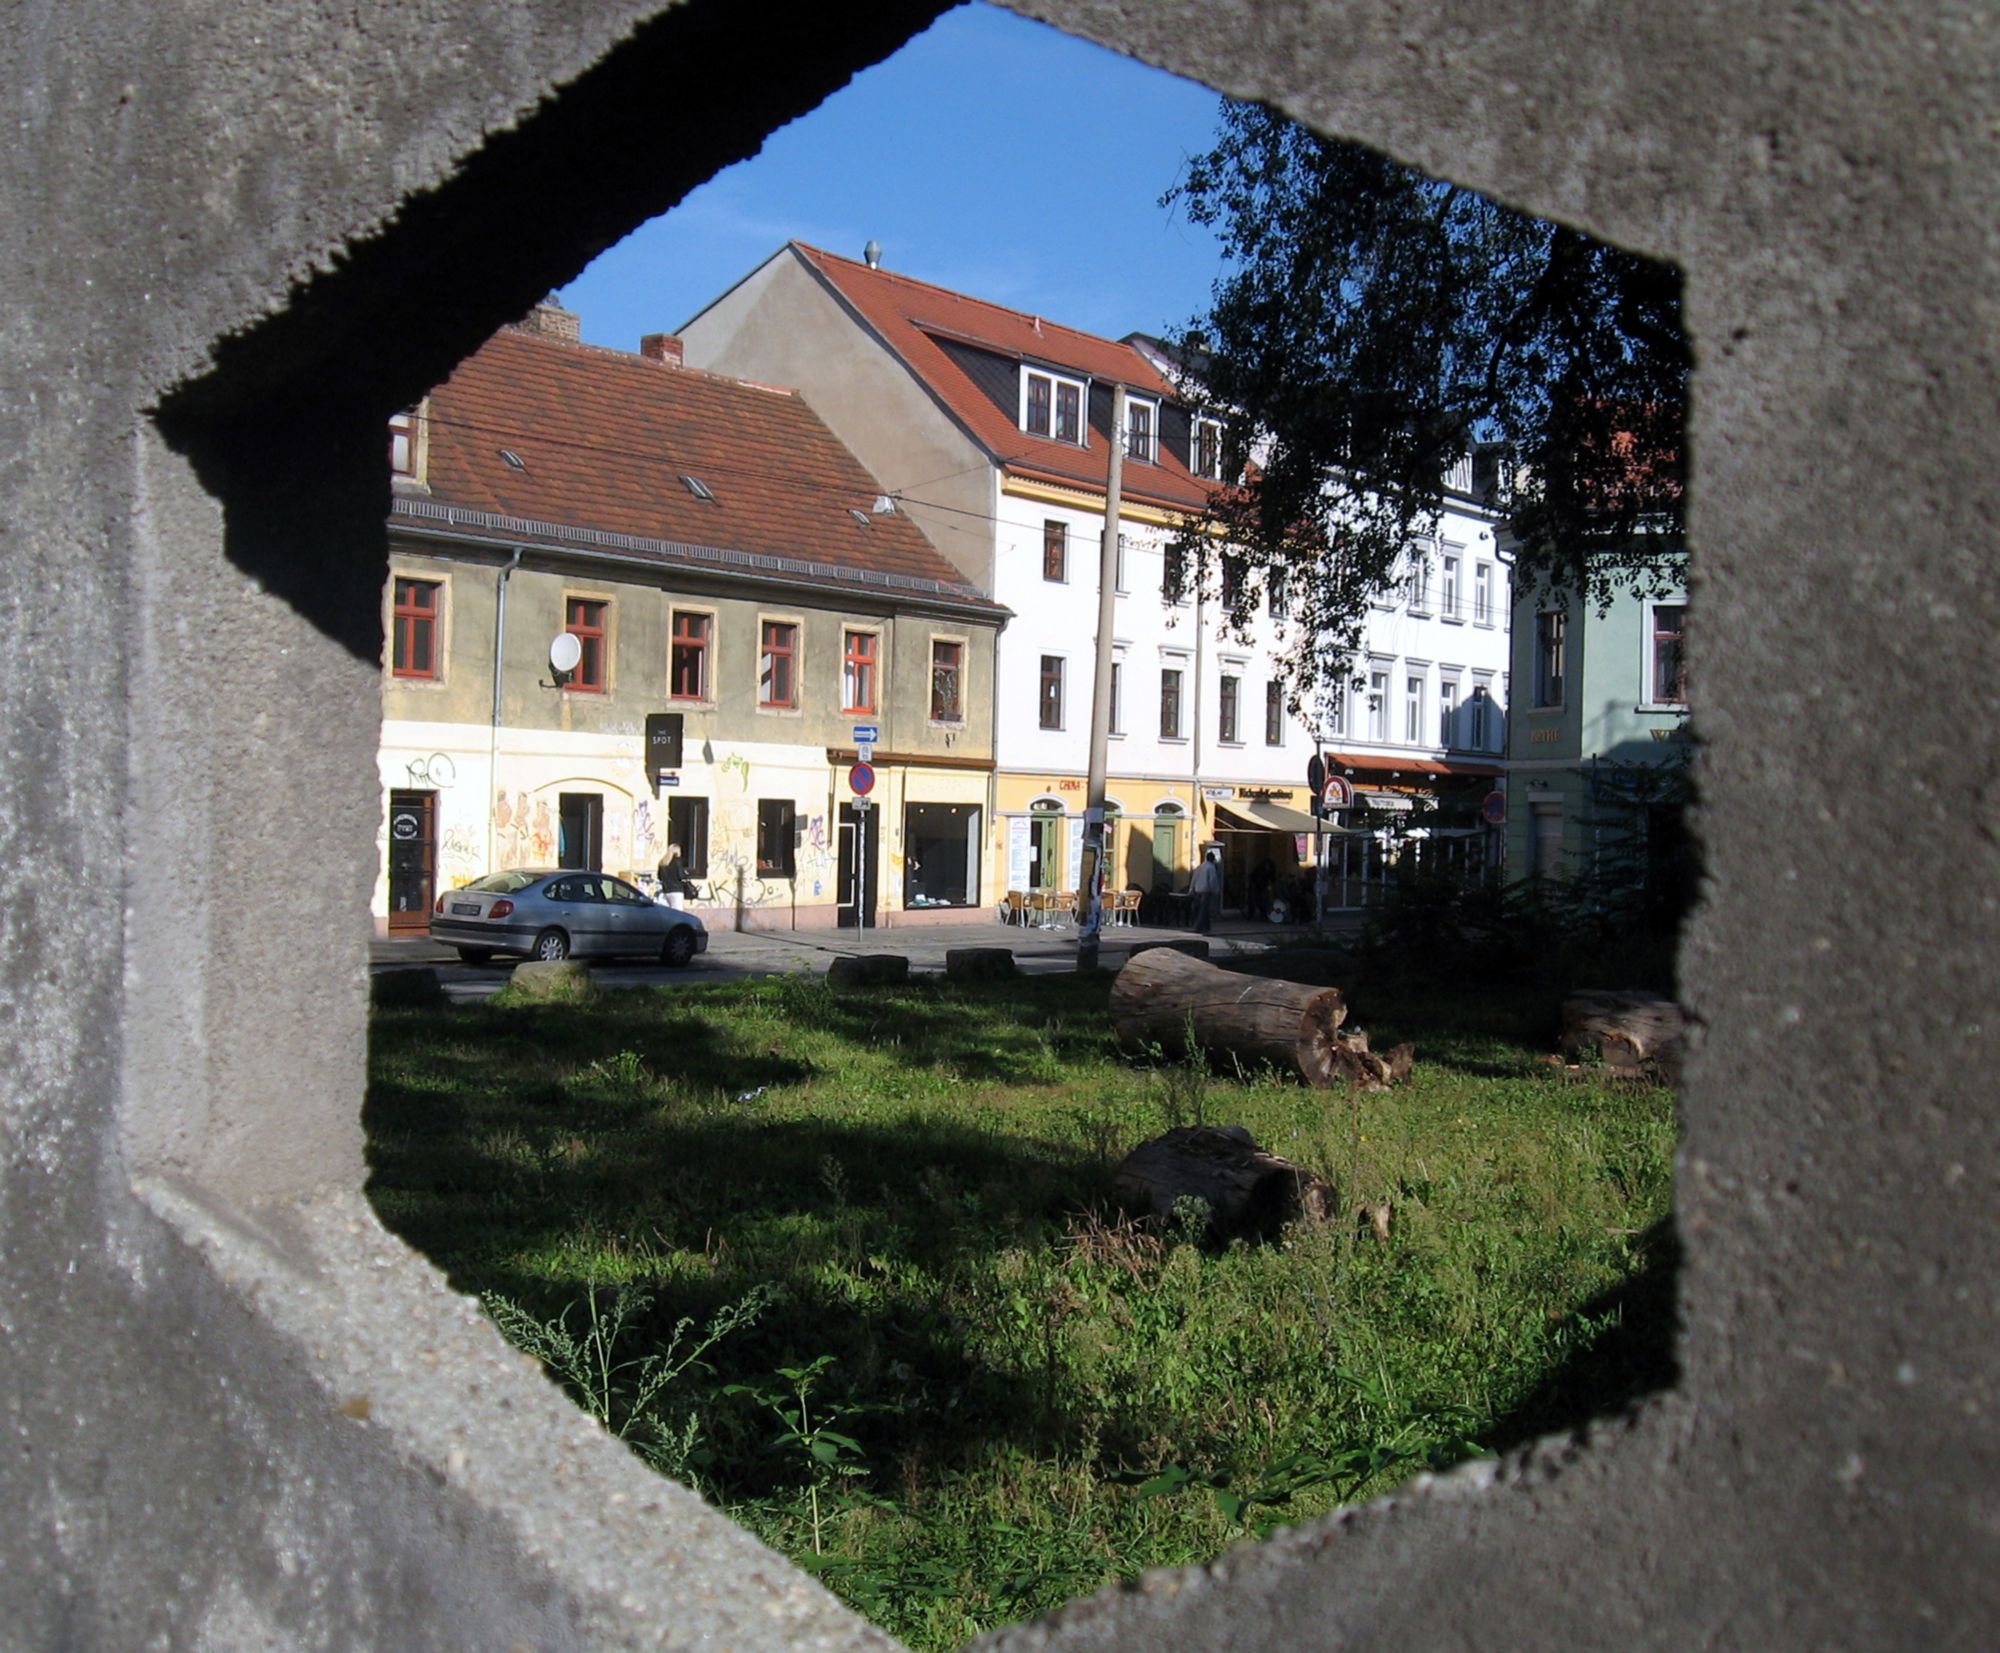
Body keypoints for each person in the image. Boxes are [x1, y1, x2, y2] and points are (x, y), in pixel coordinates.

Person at [1190, 846, 1222, 934]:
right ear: (1212, 859)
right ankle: (1199, 928)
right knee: (1204, 910)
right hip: (1206, 891)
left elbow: (1194, 878)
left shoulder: (1200, 867)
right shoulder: (1211, 868)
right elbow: (1212, 880)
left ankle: (1207, 926)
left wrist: (1191, 889)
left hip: (1197, 890)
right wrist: (1216, 890)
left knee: (1202, 909)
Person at [655, 843, 696, 909]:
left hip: (666, 891)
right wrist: (685, 873)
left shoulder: (662, 863)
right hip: (677, 891)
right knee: (678, 914)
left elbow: (659, 877)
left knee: (669, 913)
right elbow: (681, 876)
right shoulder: (677, 862)